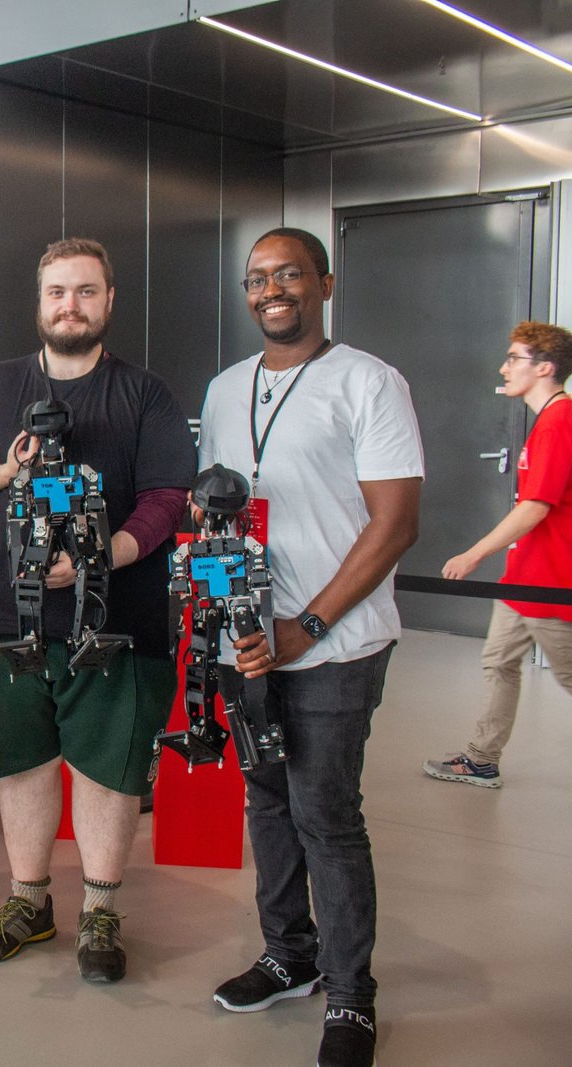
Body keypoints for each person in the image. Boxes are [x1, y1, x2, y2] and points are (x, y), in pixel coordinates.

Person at [0, 237, 194, 985]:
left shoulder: (146, 395)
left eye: (84, 291)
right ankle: (29, 901)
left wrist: (112, 552)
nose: (69, 304)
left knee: (109, 770)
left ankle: (101, 908)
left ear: (108, 301)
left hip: (116, 614)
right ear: (38, 304)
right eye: (56, 292)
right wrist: (4, 470)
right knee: (22, 763)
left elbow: (169, 495)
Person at [198, 227, 422, 1067]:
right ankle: (288, 952)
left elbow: (395, 522)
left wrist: (309, 625)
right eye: (257, 278)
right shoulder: (225, 389)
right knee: (266, 801)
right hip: (245, 638)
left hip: (335, 642)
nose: (271, 289)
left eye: (289, 273)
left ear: (324, 283)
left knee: (326, 813)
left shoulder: (368, 382)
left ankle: (352, 993)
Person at [425, 322, 572, 787]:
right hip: (522, 581)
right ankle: (481, 759)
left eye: (515, 358)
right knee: (499, 663)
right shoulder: (548, 420)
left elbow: (534, 508)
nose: (503, 368)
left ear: (544, 367)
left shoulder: (557, 424)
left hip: (550, 583)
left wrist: (474, 554)